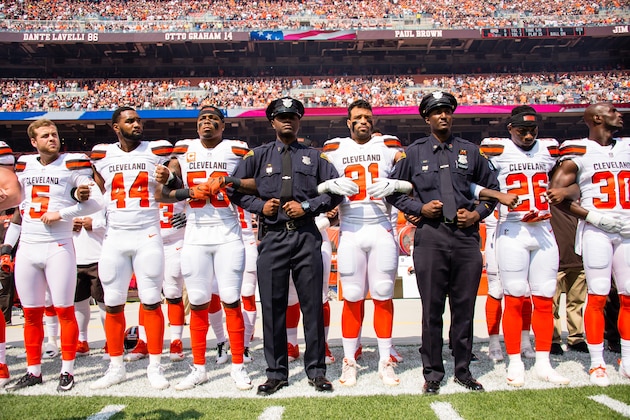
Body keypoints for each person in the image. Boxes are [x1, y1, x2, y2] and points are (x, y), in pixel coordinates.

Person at [229, 97, 344, 395]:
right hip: (272, 237)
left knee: (312, 307)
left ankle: (317, 371)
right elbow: (233, 187)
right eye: (281, 117)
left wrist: (307, 205)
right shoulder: (258, 155)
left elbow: (337, 191)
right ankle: (276, 372)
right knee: (272, 307)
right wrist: (259, 206)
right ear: (273, 122)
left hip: (307, 235)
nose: (287, 121)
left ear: (299, 121)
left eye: (292, 116)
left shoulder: (316, 157)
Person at [385, 91, 498, 395]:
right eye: (436, 112)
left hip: (465, 238)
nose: (443, 116)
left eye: (447, 111)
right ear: (427, 118)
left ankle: (463, 369)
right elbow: (392, 192)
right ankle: (433, 372)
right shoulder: (414, 152)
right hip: (431, 237)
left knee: (464, 308)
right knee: (432, 309)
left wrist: (477, 215)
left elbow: (492, 190)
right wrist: (418, 210)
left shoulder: (471, 151)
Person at [155, 105, 252, 391]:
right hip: (195, 235)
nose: (206, 122)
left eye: (212, 119)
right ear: (197, 126)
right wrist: (189, 191)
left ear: (223, 125)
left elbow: (255, 184)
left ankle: (238, 365)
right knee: (197, 301)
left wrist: (230, 181)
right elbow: (166, 193)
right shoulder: (183, 151)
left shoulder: (237, 150)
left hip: (228, 233)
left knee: (231, 299)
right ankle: (199, 368)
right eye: (202, 119)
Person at [5, 119, 103, 392]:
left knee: (64, 310)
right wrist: (7, 248)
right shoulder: (24, 164)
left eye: (55, 134)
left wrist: (64, 212)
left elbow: (97, 201)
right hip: (28, 246)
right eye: (45, 135)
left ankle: (67, 370)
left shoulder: (72, 163)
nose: (52, 138)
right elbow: (18, 210)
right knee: (32, 315)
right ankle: (33, 370)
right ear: (33, 142)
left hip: (58, 245)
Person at [480, 105, 569, 387]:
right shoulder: (496, 149)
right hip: (512, 229)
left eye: (532, 130)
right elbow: (475, 181)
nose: (528, 135)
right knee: (514, 295)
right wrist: (497, 195)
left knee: (543, 298)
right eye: (522, 130)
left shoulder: (549, 149)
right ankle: (515, 360)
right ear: (510, 130)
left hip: (543, 228)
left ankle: (543, 362)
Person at [320, 99, 407, 387]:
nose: (363, 121)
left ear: (373, 120)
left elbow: (411, 176)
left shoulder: (389, 145)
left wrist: (396, 185)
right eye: (357, 117)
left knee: (383, 292)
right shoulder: (334, 148)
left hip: (381, 227)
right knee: (353, 295)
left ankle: (384, 359)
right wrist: (328, 186)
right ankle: (349, 360)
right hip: (351, 229)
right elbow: (315, 182)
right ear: (348, 122)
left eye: (367, 117)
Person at [89, 106, 173, 390]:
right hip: (115, 235)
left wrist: (169, 178)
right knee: (113, 302)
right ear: (116, 127)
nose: (137, 124)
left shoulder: (157, 149)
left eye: (138, 120)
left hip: (147, 233)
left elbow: (174, 179)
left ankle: (155, 365)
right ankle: (116, 366)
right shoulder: (101, 154)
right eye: (130, 120)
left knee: (150, 299)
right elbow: (98, 192)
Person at [548, 102, 630, 387]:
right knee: (597, 294)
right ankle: (597, 364)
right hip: (597, 230)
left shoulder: (627, 146)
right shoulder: (579, 150)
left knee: (628, 296)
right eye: (612, 111)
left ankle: (627, 359)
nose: (619, 114)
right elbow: (555, 192)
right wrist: (593, 215)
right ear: (597, 118)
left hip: (628, 229)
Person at [549, 205, 588, 355]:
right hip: (556, 258)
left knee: (577, 302)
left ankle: (576, 337)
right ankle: (553, 339)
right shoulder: (553, 197)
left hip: (579, 257)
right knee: (552, 304)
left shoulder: (583, 197)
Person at [72, 208, 107, 358]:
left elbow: (119, 220)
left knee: (104, 303)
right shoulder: (68, 199)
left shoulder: (102, 198)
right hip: (74, 258)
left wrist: (96, 224)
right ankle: (82, 340)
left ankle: (111, 341)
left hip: (99, 256)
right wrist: (68, 224)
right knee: (78, 302)